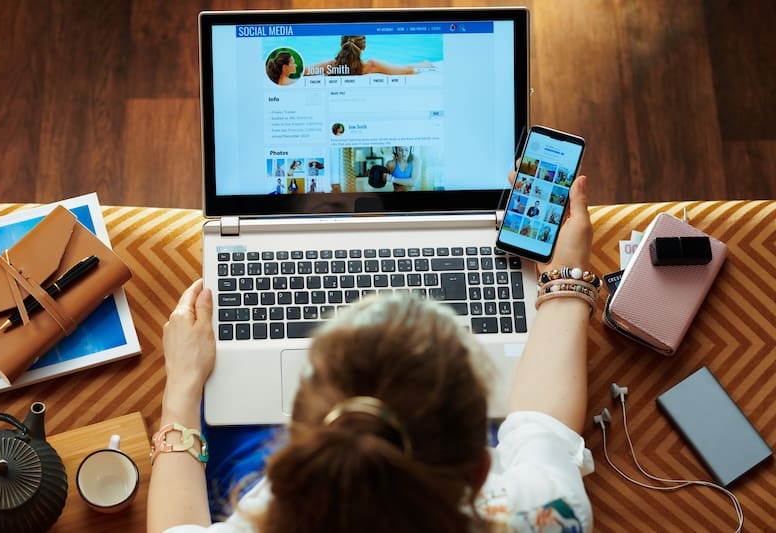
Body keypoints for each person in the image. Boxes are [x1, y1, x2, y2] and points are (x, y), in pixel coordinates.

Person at [148, 174, 597, 532]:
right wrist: (564, 278)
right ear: (480, 469)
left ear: (290, 447)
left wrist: (183, 387)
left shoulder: (266, 510)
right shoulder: (548, 513)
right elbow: (545, 426)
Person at [304, 36, 433, 77]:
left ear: (342, 45)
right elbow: (407, 70)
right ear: (364, 47)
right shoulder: (371, 66)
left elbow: (303, 71)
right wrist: (424, 65)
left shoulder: (331, 65)